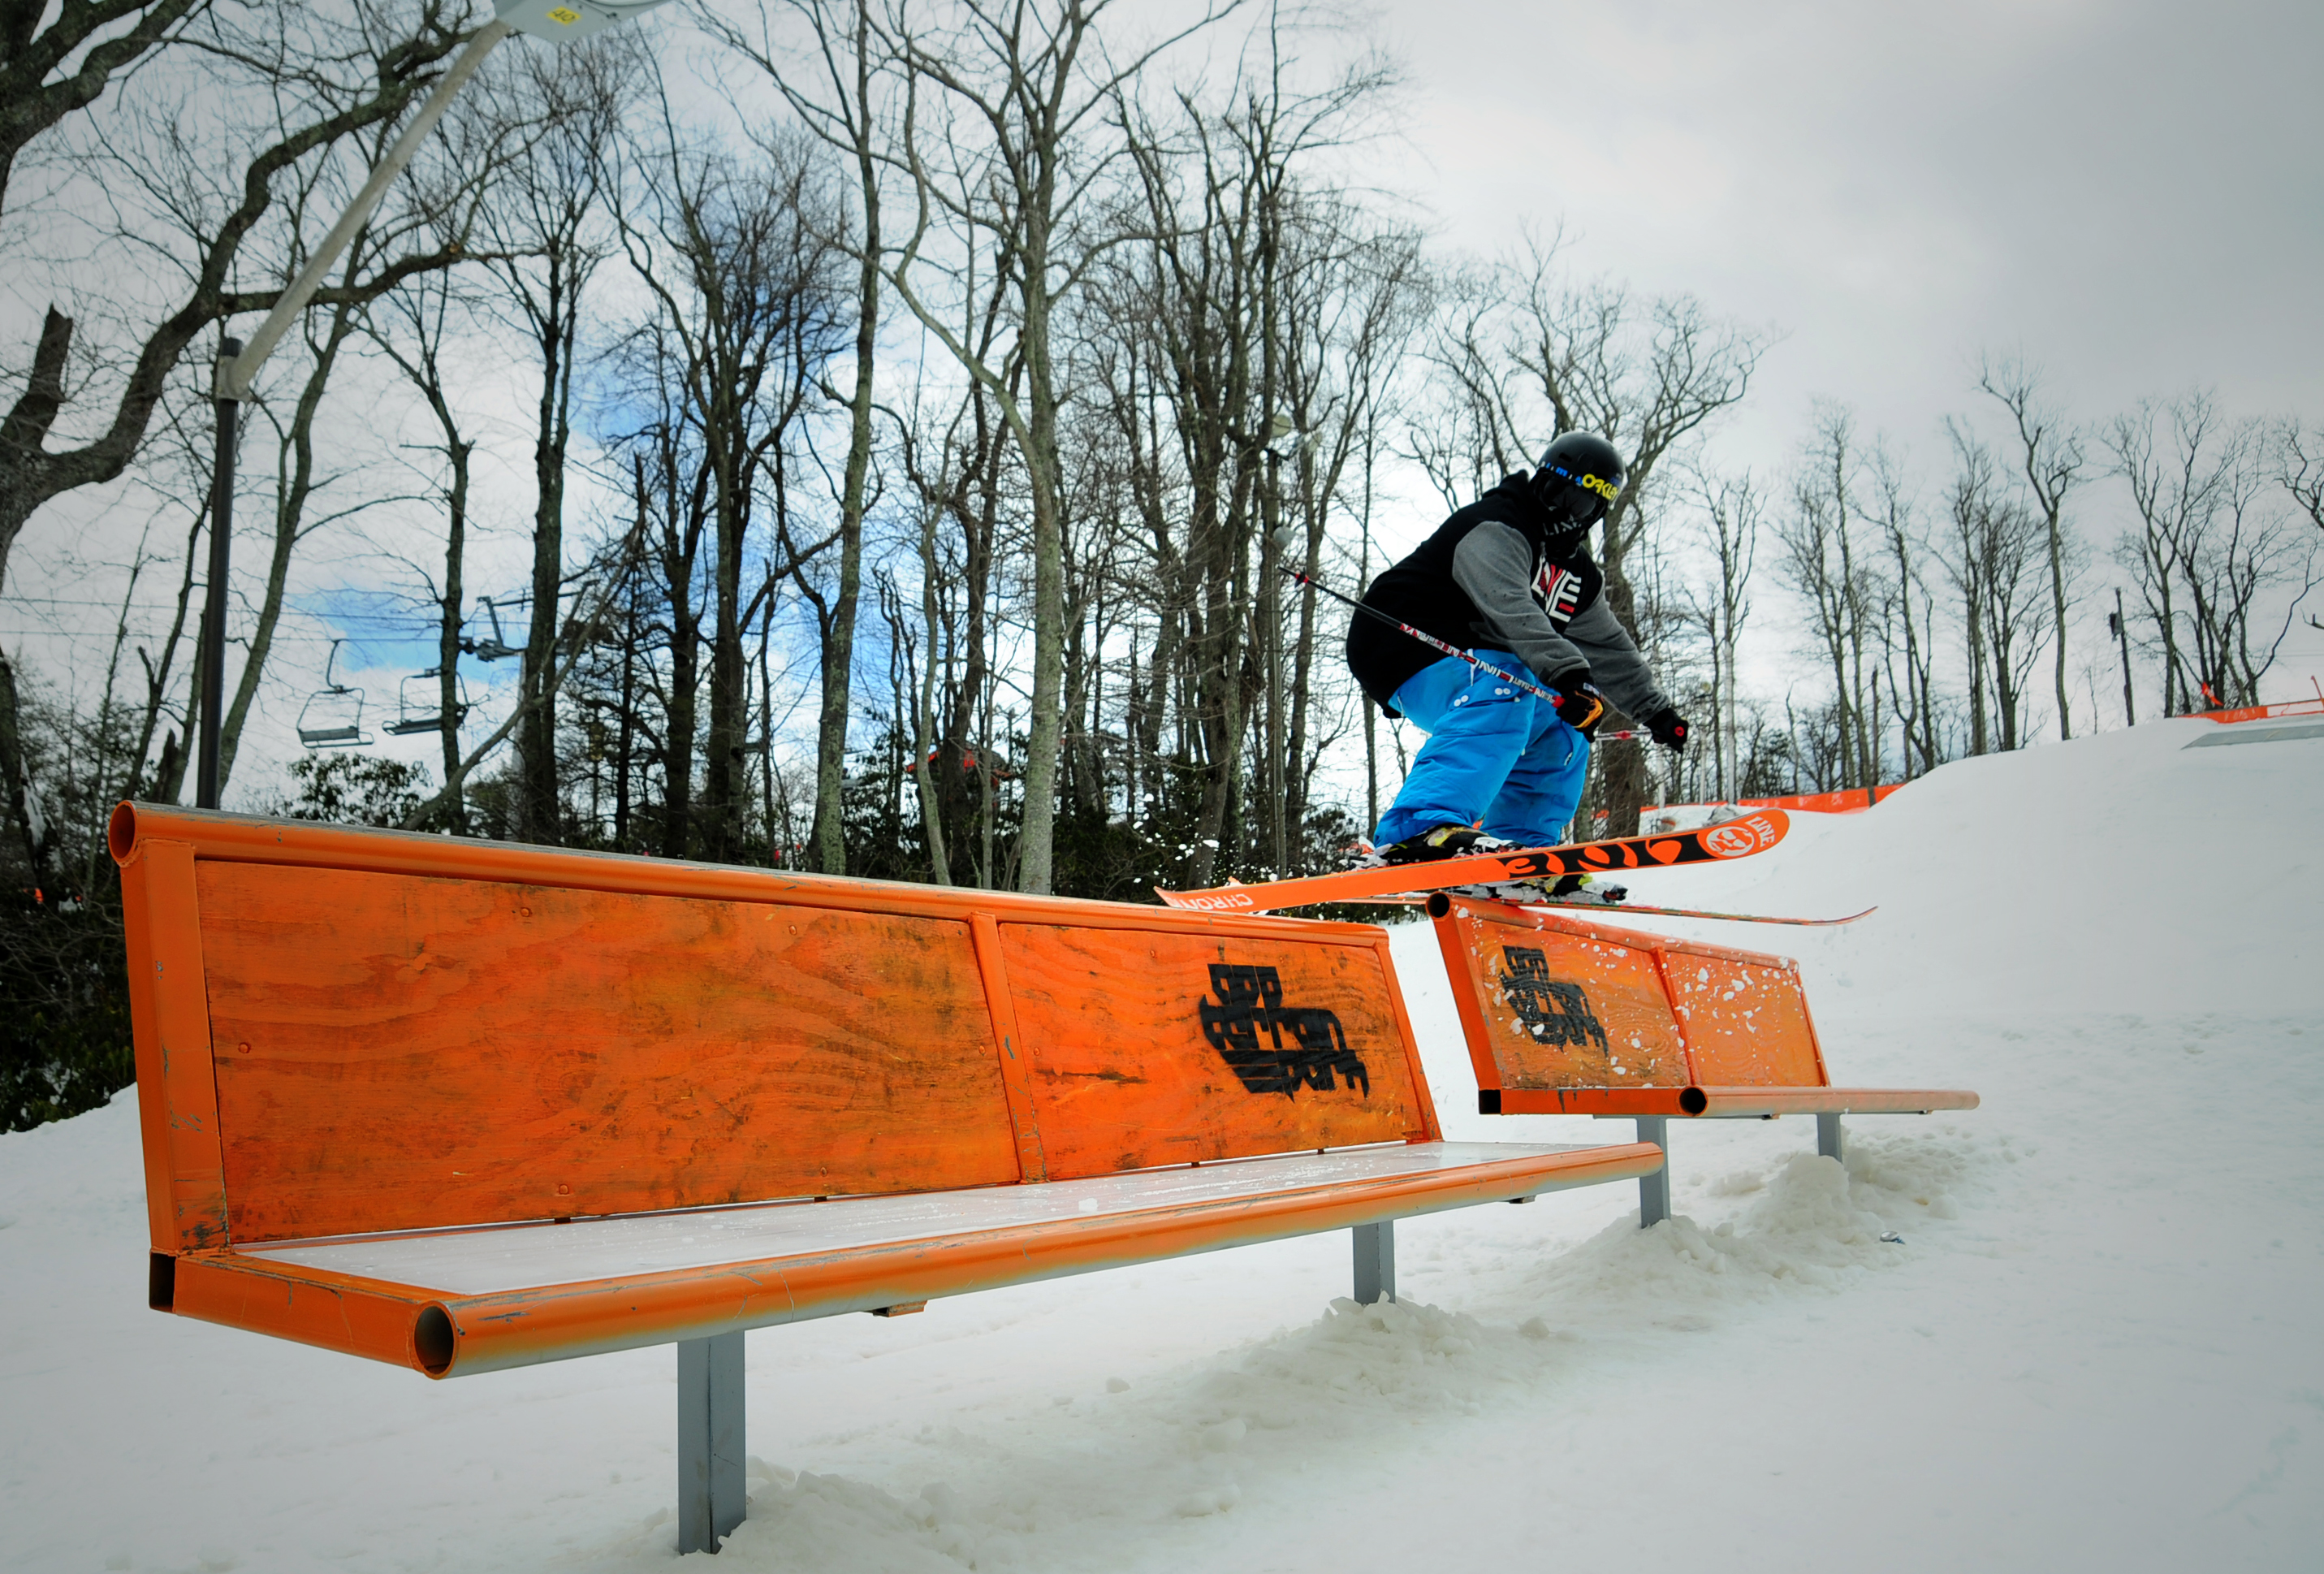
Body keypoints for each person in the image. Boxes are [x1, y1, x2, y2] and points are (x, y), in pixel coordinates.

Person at [1346, 430, 1691, 867]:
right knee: (1517, 684)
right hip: (1402, 640)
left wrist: (1655, 711)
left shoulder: (1578, 575)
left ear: (1596, 512)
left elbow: (1609, 647)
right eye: (1555, 492)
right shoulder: (1497, 525)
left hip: (1477, 664)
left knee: (1569, 721)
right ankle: (1419, 827)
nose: (1563, 510)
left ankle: (1522, 850)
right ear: (1540, 483)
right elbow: (1509, 608)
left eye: (1580, 504)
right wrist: (1567, 671)